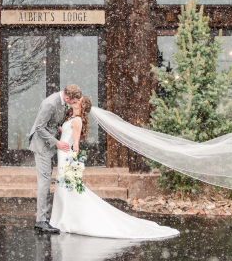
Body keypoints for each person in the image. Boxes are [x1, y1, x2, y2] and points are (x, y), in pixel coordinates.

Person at [49, 97, 179, 239]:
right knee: (64, 187)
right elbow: (67, 133)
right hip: (62, 154)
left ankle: (67, 220)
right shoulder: (71, 117)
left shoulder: (77, 120)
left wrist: (73, 162)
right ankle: (63, 219)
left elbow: (75, 143)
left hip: (66, 156)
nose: (74, 101)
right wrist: (61, 129)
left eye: (77, 100)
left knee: (68, 187)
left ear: (81, 105)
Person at [28, 84, 82, 233]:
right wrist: (57, 142)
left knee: (48, 181)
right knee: (45, 183)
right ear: (66, 97)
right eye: (72, 101)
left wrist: (62, 129)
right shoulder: (50, 103)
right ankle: (41, 221)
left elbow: (52, 123)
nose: (73, 104)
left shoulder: (62, 102)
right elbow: (39, 127)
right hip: (41, 146)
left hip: (51, 146)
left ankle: (46, 217)